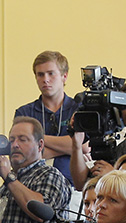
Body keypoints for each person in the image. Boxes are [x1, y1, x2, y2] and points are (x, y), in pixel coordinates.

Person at [0, 117, 71, 223]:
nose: (15, 145)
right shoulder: (7, 184)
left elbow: (40, 212)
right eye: (12, 140)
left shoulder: (50, 175)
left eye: (23, 139)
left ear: (40, 145)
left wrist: (9, 176)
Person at [14, 51, 80, 185]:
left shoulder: (78, 109)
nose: (45, 79)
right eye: (40, 74)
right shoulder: (24, 112)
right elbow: (23, 154)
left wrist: (37, 139)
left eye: (51, 73)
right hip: (32, 185)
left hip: (72, 187)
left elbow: (84, 146)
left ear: (64, 76)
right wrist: (69, 148)